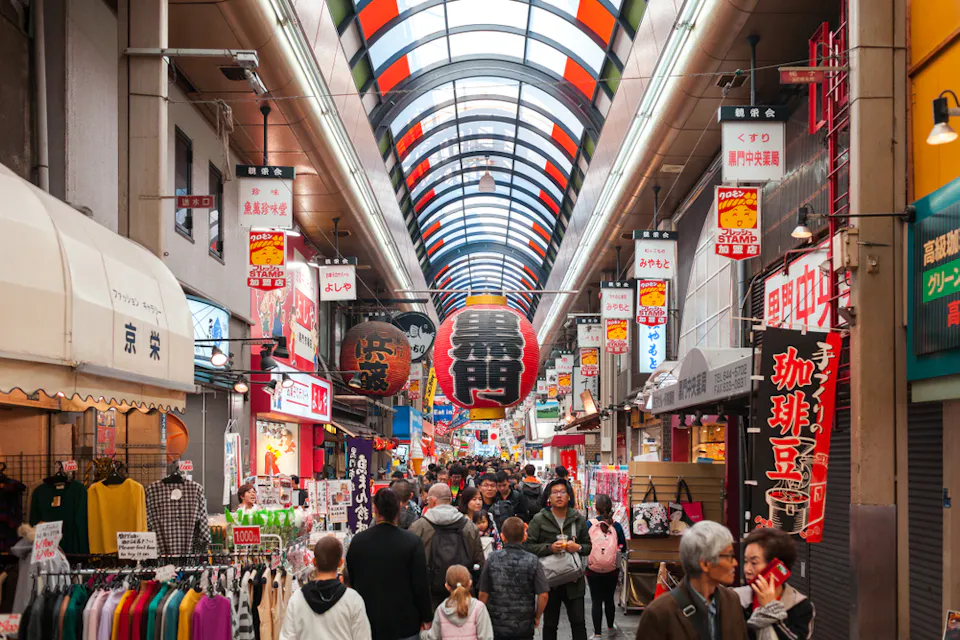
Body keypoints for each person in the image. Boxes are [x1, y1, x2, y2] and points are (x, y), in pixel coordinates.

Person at [635, 520, 748, 640]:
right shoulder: (659, 613)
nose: (735, 563)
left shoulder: (732, 601)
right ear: (705, 563)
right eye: (729, 556)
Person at [346, 488, 433, 640]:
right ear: (399, 509)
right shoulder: (412, 542)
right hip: (405, 623)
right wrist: (427, 617)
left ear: (375, 509)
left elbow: (352, 581)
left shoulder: (358, 542)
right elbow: (421, 585)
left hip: (368, 621)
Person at [524, 479, 591, 640]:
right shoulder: (540, 519)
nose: (559, 496)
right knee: (550, 625)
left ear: (569, 496)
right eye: (554, 492)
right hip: (550, 581)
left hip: (574, 582)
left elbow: (588, 546)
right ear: (549, 497)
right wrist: (549, 548)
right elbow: (528, 546)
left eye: (562, 492)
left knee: (578, 623)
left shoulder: (578, 519)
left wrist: (578, 547)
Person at [409, 483, 486, 610]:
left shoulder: (419, 527)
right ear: (450, 500)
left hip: (430, 597)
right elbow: (479, 561)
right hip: (464, 596)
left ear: (432, 501)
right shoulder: (469, 526)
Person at [279, 536, 372, 640]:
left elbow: (287, 637)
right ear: (340, 563)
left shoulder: (297, 599)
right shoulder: (353, 600)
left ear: (314, 561)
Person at [734, 528, 814, 640]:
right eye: (746, 561)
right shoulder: (735, 599)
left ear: (776, 567)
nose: (747, 569)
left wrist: (771, 609)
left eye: (754, 563)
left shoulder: (800, 605)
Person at [479, 517, 550, 640]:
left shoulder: (491, 559)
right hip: (524, 625)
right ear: (524, 537)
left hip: (496, 624)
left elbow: (483, 593)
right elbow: (543, 594)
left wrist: (481, 616)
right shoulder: (533, 560)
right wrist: (537, 616)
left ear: (502, 536)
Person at [585, 494, 627, 639]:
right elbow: (623, 546)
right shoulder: (616, 526)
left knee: (596, 600)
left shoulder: (589, 524)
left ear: (596, 508)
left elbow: (584, 545)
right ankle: (610, 627)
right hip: (612, 569)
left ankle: (597, 634)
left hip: (592, 568)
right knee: (609, 598)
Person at [420, 565, 494, 640]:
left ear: (447, 586)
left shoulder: (441, 610)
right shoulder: (479, 608)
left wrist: (422, 633)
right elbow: (486, 637)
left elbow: (433, 637)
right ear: (470, 583)